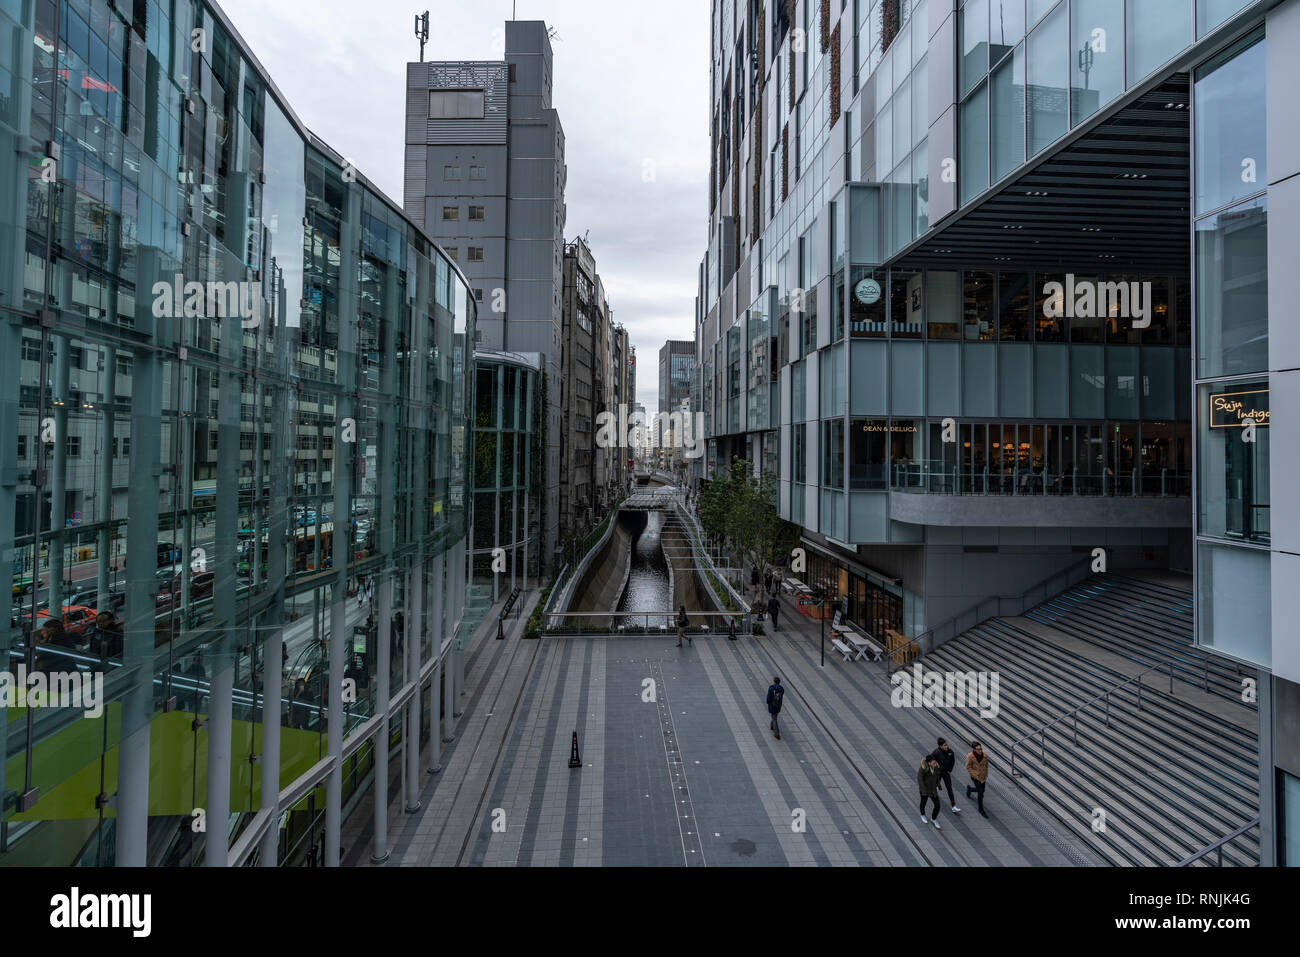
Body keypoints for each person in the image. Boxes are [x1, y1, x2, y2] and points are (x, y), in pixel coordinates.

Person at [928, 737, 960, 813]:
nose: (947, 746)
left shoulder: (950, 752)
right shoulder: (936, 752)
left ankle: (953, 806)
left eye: (946, 745)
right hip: (938, 773)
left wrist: (950, 769)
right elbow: (929, 760)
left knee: (949, 788)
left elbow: (953, 761)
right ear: (940, 746)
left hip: (946, 773)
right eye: (945, 745)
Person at [965, 741, 990, 818]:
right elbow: (968, 766)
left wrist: (985, 774)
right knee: (980, 794)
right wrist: (974, 774)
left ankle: (970, 789)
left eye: (980, 749)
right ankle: (981, 809)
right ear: (974, 749)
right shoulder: (970, 756)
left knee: (982, 790)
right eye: (978, 749)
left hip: (983, 776)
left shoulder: (985, 756)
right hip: (975, 777)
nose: (980, 750)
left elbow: (986, 766)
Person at [918, 755, 942, 829]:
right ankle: (922, 814)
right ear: (929, 763)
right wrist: (923, 790)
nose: (935, 764)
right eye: (933, 763)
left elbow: (937, 777)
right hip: (925, 789)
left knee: (937, 805)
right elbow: (920, 779)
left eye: (935, 763)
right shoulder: (923, 768)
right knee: (923, 802)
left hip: (933, 789)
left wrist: (938, 785)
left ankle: (933, 818)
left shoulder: (936, 768)